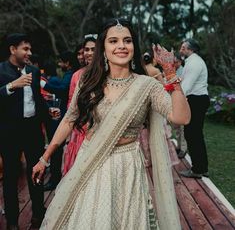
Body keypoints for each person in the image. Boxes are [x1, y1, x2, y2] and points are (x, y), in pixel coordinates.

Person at [32, 18, 190, 230]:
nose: (121, 46)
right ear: (103, 48)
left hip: (126, 166)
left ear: (134, 45)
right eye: (113, 41)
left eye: (127, 40)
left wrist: (171, 75)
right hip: (90, 163)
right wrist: (45, 157)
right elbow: (69, 119)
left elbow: (181, 118)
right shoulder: (88, 81)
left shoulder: (147, 85)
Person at [0, 33, 49, 229]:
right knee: (11, 178)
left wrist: (49, 114)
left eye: (30, 49)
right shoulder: (1, 71)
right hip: (10, 133)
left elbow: (37, 99)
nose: (29, 52)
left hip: (33, 131)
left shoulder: (34, 71)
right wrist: (13, 85)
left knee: (36, 173)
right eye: (25, 49)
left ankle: (38, 214)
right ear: (13, 50)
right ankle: (12, 222)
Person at [62, 34, 97, 176]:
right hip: (81, 128)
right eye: (86, 50)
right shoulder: (77, 75)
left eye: (93, 49)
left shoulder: (109, 73)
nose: (89, 53)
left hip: (100, 128)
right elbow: (71, 102)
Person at [41, 51, 75, 191]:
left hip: (66, 116)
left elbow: (62, 91)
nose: (60, 65)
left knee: (57, 149)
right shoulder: (69, 74)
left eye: (61, 62)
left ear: (67, 63)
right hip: (64, 114)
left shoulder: (69, 74)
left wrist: (42, 84)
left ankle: (55, 179)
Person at [179, 38, 210, 178]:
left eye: (183, 47)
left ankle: (198, 169)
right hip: (196, 100)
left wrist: (176, 100)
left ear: (190, 49)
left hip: (196, 100)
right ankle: (201, 168)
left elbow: (186, 86)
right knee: (194, 134)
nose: (181, 49)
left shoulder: (194, 63)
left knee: (193, 134)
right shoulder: (192, 61)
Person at [173, 53, 187, 159]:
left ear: (180, 61)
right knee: (176, 125)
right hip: (175, 100)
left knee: (182, 127)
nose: (174, 63)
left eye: (176, 61)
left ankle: (183, 149)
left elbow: (178, 84)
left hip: (182, 100)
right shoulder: (173, 71)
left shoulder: (183, 71)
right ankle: (178, 146)